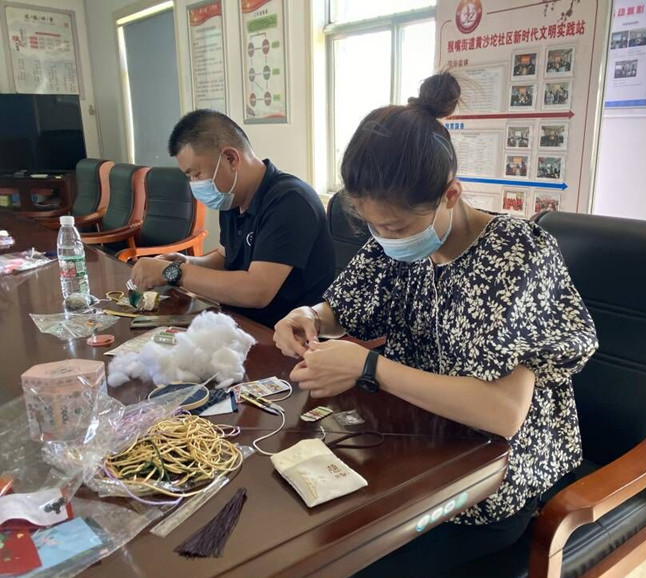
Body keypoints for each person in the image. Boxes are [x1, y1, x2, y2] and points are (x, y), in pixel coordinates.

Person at [272, 72, 598, 576]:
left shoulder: (517, 256)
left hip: (489, 482)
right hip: (411, 450)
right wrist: (308, 316)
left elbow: (503, 413)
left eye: (395, 226)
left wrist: (368, 368)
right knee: (300, 531)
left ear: (450, 194)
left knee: (341, 565)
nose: (385, 238)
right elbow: (343, 306)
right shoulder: (393, 242)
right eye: (372, 225)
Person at [130, 109, 335, 328]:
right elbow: (224, 257)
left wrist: (174, 273)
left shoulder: (290, 201)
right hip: (239, 323)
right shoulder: (232, 198)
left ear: (231, 158)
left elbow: (257, 290)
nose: (194, 184)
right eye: (189, 177)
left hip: (286, 334)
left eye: (197, 174)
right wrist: (185, 262)